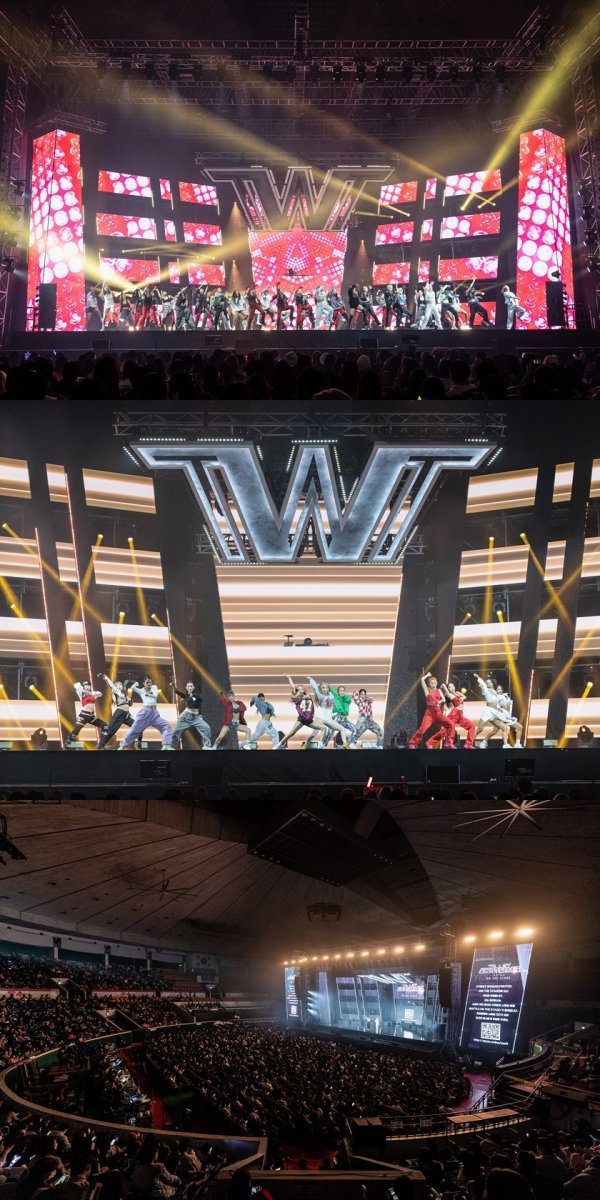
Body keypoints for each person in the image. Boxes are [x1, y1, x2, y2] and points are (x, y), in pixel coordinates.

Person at [277, 677, 338, 749]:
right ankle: (279, 745)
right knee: (292, 733)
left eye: (302, 689)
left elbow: (314, 697)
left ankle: (320, 745)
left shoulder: (308, 696)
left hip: (309, 720)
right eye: (299, 689)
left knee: (323, 728)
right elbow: (293, 687)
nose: (301, 690)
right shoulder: (297, 698)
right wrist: (289, 678)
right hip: (302, 719)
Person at [118, 676, 173, 749]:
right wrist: (135, 684)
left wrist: (148, 694)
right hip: (144, 714)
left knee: (166, 726)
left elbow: (155, 696)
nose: (149, 683)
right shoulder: (141, 690)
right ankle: (122, 746)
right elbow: (133, 688)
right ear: (143, 683)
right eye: (147, 682)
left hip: (154, 714)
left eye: (150, 681)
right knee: (134, 730)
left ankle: (166, 745)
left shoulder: (154, 687)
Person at [409, 672, 453, 749]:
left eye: (435, 683)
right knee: (423, 729)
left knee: (450, 725)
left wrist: (440, 701)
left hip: (438, 712)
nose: (433, 685)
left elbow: (443, 699)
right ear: (429, 684)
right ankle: (412, 743)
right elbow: (422, 680)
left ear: (437, 684)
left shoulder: (439, 691)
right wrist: (427, 675)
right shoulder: (427, 691)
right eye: (432, 683)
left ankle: (431, 743)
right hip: (429, 713)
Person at [426, 682, 476, 749]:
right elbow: (442, 686)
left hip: (460, 715)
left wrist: (463, 697)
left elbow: (465, 696)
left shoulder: (457, 693)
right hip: (454, 715)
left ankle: (468, 744)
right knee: (444, 731)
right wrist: (443, 686)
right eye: (450, 687)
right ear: (448, 689)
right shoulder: (449, 694)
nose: (452, 688)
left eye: (453, 686)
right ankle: (430, 743)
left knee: (472, 726)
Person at [97, 673, 140, 750]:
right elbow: (111, 684)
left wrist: (130, 700)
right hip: (119, 712)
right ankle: (100, 745)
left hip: (126, 715)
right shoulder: (115, 691)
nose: (120, 686)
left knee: (136, 726)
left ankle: (135, 743)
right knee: (110, 729)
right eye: (118, 685)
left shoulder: (125, 694)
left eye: (121, 685)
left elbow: (130, 704)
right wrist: (105, 677)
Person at [305, 677, 351, 747]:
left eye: (326, 687)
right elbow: (315, 688)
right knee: (314, 734)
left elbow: (336, 694)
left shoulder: (331, 694)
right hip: (320, 717)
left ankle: (345, 744)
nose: (325, 689)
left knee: (342, 729)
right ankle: (306, 744)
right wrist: (311, 680)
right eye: (323, 688)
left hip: (328, 719)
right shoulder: (320, 695)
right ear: (321, 689)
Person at [473, 674, 516, 748]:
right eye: (487, 683)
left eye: (490, 682)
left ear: (493, 683)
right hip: (488, 712)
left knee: (504, 728)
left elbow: (496, 703)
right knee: (480, 729)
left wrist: (499, 708)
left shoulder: (495, 692)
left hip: (494, 713)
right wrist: (478, 677)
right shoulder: (486, 691)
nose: (489, 684)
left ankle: (505, 745)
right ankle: (469, 743)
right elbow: (483, 685)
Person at [64, 681, 107, 749]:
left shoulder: (93, 694)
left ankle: (101, 745)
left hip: (91, 716)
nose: (87, 687)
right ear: (83, 687)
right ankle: (68, 744)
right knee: (76, 730)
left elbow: (100, 694)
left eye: (88, 685)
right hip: (83, 715)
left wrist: (91, 693)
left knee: (105, 726)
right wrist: (83, 690)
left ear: (90, 686)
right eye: (85, 686)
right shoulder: (81, 693)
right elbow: (76, 684)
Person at [171, 681, 212, 749]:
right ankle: (171, 746)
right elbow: (176, 691)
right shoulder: (186, 696)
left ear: (193, 687)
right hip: (185, 717)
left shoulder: (197, 695)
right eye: (188, 686)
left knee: (206, 728)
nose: (189, 688)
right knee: (176, 731)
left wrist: (193, 695)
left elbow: (201, 700)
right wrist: (173, 685)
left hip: (196, 717)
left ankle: (207, 746)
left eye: (191, 686)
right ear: (186, 688)